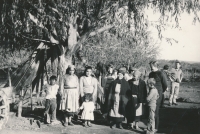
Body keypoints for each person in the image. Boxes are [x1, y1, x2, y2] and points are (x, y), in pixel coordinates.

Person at [149, 61, 168, 132]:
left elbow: (165, 84)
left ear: (155, 66)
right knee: (151, 110)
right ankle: (151, 126)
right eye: (150, 66)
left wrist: (160, 92)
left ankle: (155, 128)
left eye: (152, 66)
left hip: (158, 94)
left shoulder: (161, 73)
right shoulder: (150, 73)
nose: (150, 67)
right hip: (151, 93)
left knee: (156, 110)